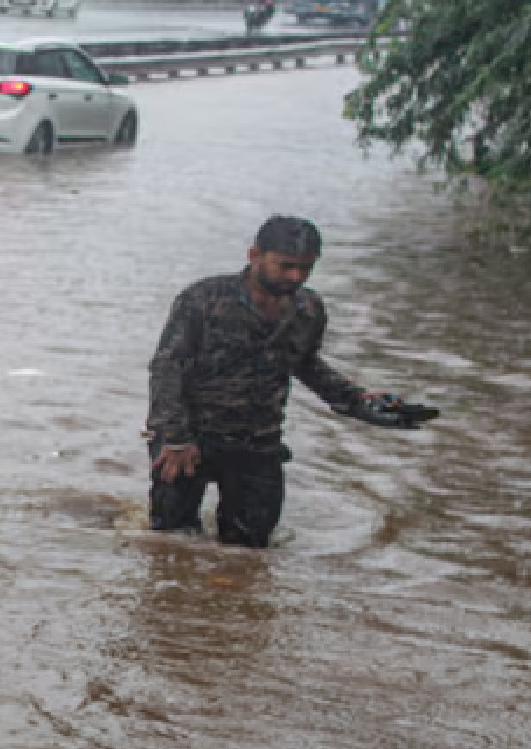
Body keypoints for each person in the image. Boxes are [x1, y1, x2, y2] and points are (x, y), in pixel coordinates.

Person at [146, 215, 428, 548]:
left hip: (258, 441)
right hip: (189, 439)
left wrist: (357, 401)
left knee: (250, 550)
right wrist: (175, 438)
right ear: (254, 255)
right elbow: (167, 367)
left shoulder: (308, 309)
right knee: (171, 544)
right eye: (286, 266)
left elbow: (305, 364)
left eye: (305, 268)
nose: (295, 276)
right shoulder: (203, 300)